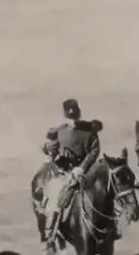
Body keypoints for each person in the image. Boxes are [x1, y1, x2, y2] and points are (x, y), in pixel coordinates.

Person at [41, 99, 105, 252]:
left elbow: (94, 151)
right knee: (55, 199)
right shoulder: (59, 131)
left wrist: (82, 168)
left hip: (85, 172)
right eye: (70, 118)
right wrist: (50, 153)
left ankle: (110, 227)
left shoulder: (89, 131)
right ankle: (51, 238)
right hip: (65, 173)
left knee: (106, 190)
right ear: (65, 116)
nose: (73, 121)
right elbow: (52, 149)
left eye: (75, 117)